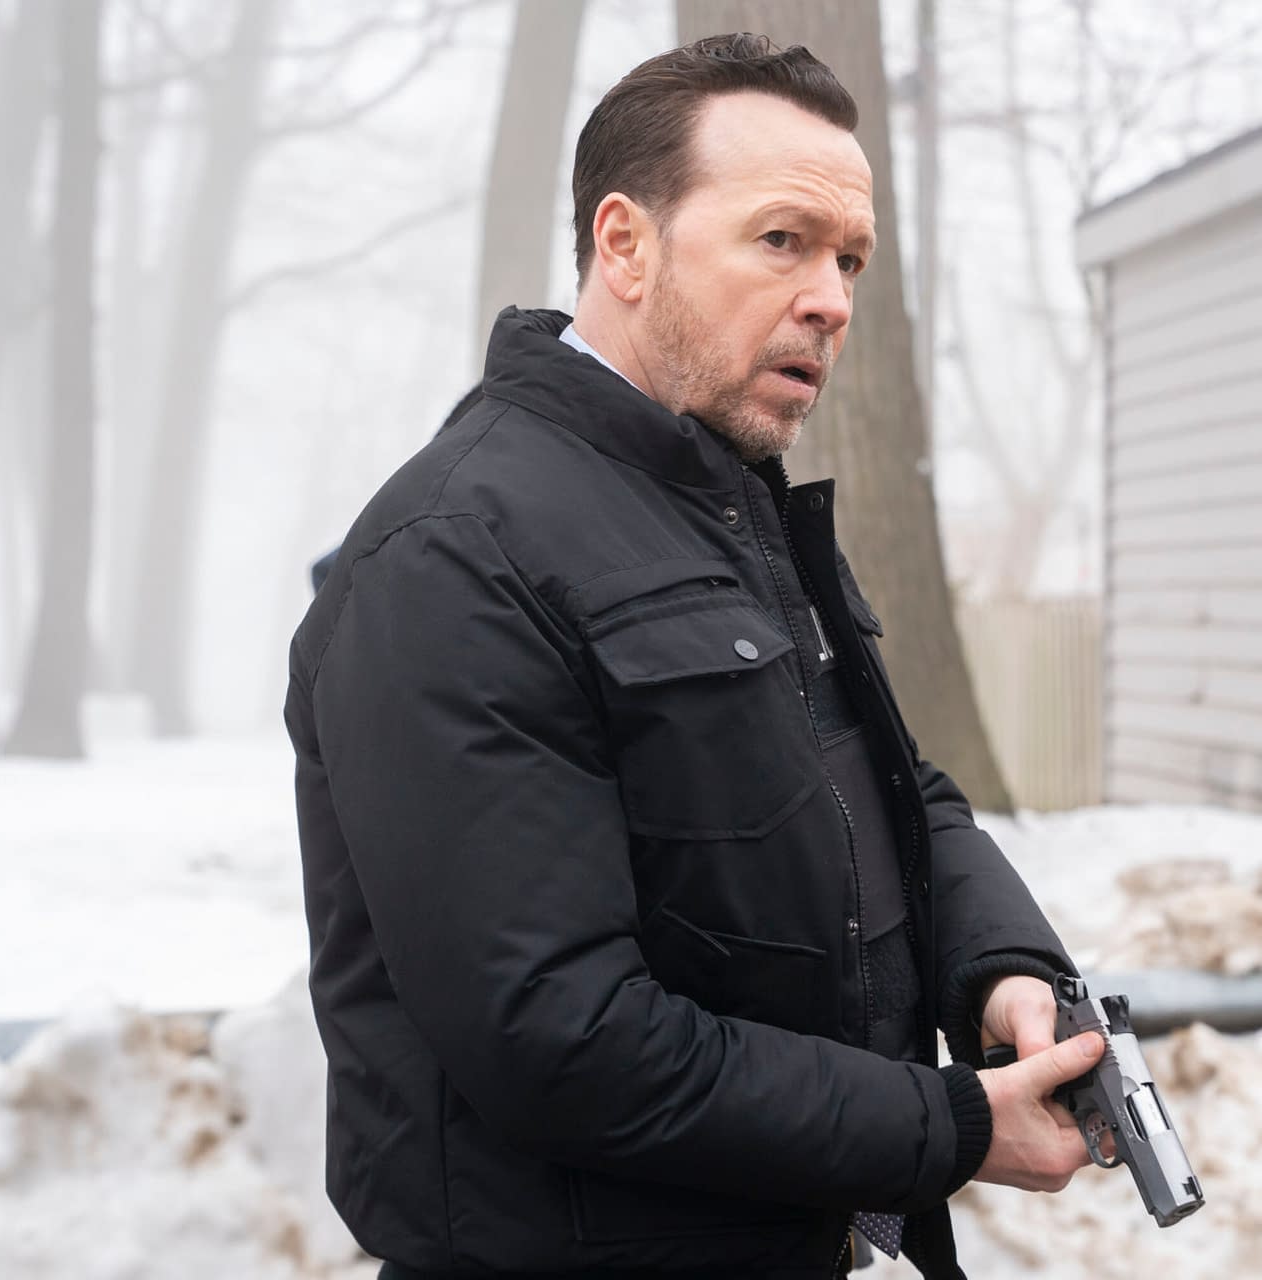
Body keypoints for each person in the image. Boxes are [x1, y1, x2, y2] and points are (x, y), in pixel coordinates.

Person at [285, 33, 1102, 1280]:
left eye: (849, 258)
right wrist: (945, 1124)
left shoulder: (734, 510)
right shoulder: (453, 554)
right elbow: (558, 1034)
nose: (831, 299)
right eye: (782, 240)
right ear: (625, 244)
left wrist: (1001, 968)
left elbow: (886, 790)